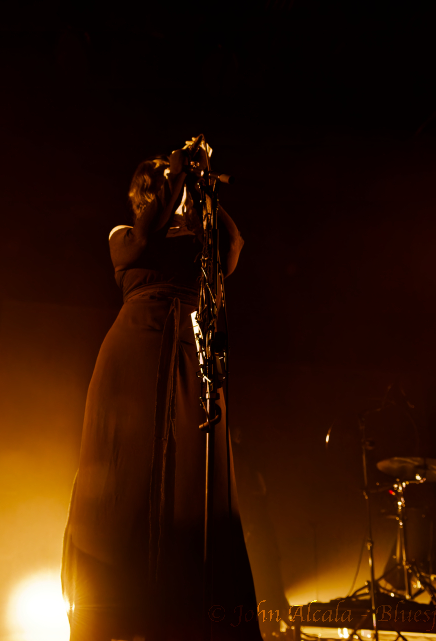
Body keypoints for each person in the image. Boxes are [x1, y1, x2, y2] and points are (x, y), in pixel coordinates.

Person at [62, 146, 260, 641]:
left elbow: (234, 243)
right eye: (170, 184)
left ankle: (189, 602)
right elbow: (145, 238)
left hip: (194, 353)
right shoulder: (124, 235)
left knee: (196, 471)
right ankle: (114, 603)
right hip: (135, 351)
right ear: (152, 191)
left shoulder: (202, 238)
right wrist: (176, 175)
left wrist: (205, 184)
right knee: (125, 468)